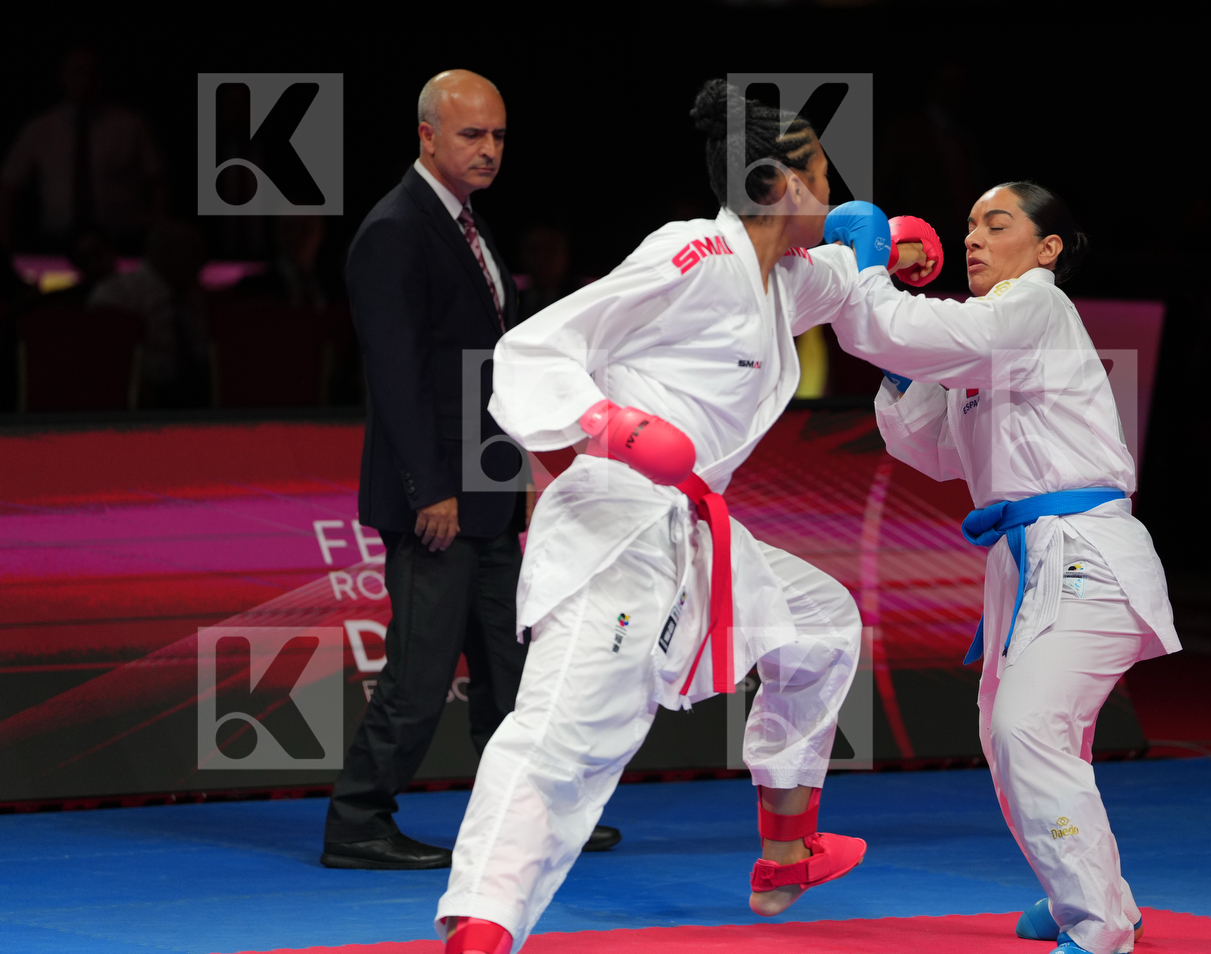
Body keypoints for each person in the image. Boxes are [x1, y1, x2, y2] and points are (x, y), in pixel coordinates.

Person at [433, 80, 934, 954]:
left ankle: (788, 845)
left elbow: (838, 275)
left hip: (693, 531)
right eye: (825, 174)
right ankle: (481, 921)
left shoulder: (774, 275)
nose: (836, 188)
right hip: (617, 524)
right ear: (781, 184)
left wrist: (895, 245)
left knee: (821, 624)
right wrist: (614, 425)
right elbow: (536, 345)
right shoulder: (697, 251)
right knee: (567, 735)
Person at [823, 183, 1179, 954]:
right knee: (1006, 734)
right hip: (1023, 565)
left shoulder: (1037, 310)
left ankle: (1102, 924)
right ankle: (1084, 891)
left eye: (998, 223)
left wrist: (870, 271)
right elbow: (924, 445)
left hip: (1084, 552)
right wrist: (891, 325)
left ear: (1047, 249)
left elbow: (909, 331)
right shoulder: (987, 336)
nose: (975, 238)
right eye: (969, 227)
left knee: (1028, 728)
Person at [325, 69, 620, 870]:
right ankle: (357, 822)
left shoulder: (465, 222)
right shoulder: (396, 229)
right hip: (440, 496)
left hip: (487, 485)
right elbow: (396, 375)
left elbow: (491, 364)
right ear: (426, 135)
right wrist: (435, 489)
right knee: (421, 677)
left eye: (497, 136)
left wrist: (520, 466)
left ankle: (533, 817)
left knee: (511, 672)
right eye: (471, 136)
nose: (489, 150)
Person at [0, 48, 166, 256]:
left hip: (122, 241)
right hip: (58, 242)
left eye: (92, 73)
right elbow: (9, 183)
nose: (85, 81)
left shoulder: (130, 124)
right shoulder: (40, 128)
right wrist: (4, 235)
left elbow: (157, 179)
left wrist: (157, 229)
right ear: (62, 76)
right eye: (77, 72)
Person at [88, 219, 209, 407]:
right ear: (165, 253)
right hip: (137, 403)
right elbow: (106, 366)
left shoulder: (195, 297)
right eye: (194, 252)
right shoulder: (116, 293)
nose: (202, 263)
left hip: (198, 400)